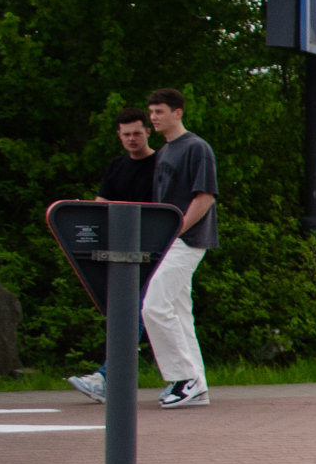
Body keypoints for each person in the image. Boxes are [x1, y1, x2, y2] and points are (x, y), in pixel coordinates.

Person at [67, 109, 163, 402]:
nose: (132, 139)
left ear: (147, 131)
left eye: (137, 132)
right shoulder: (115, 167)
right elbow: (102, 205)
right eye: (126, 134)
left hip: (155, 250)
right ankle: (189, 378)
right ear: (119, 136)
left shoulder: (161, 164)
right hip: (122, 252)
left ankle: (106, 378)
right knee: (134, 312)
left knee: (137, 311)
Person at [141, 88, 216, 408]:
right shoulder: (164, 152)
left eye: (159, 111)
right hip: (168, 242)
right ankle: (197, 385)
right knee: (180, 313)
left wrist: (176, 230)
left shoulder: (197, 148)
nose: (153, 118)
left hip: (186, 241)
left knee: (153, 306)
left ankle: (184, 379)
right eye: (151, 112)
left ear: (178, 112)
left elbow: (205, 197)